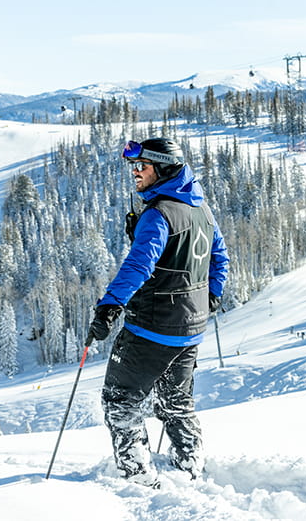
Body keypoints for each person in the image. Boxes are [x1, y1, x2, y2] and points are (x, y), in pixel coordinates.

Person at [86, 137, 229, 486]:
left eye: (142, 166)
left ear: (162, 168)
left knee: (120, 401)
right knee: (175, 403)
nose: (135, 172)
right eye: (134, 166)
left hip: (152, 327)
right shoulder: (201, 209)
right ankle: (190, 468)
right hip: (190, 328)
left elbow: (139, 264)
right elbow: (220, 258)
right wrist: (209, 299)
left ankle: (138, 478)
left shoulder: (158, 213)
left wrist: (110, 305)